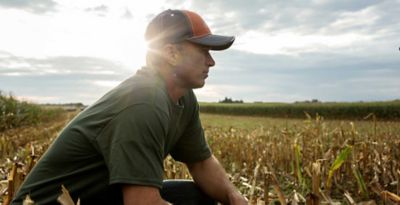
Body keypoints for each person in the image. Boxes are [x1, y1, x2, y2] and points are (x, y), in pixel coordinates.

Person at [12, 9, 247, 205]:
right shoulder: (144, 101)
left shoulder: (183, 99)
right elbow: (142, 203)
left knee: (195, 197)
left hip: (98, 198)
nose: (211, 61)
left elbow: (200, 161)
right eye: (204, 50)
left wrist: (235, 198)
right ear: (172, 53)